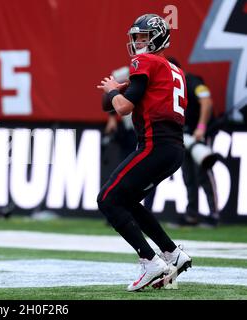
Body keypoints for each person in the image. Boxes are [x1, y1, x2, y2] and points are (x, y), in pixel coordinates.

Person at [96, 13, 192, 292]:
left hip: (155, 144)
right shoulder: (173, 69)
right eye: (136, 37)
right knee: (127, 201)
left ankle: (149, 261)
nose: (138, 42)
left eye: (143, 37)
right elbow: (137, 95)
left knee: (107, 199)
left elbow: (123, 107)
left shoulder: (146, 61)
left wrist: (113, 90)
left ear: (158, 38)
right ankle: (172, 253)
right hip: (174, 149)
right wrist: (119, 91)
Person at [166, 57, 220, 228]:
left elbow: (206, 102)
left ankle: (214, 214)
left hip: (200, 135)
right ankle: (192, 214)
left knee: (203, 172)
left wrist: (201, 127)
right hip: (185, 135)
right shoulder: (170, 87)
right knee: (188, 174)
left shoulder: (191, 81)